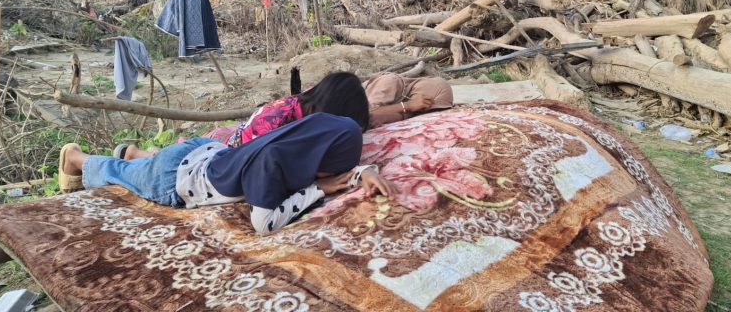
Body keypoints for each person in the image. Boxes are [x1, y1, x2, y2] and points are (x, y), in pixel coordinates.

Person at [59, 113, 395, 234]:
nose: (337, 173)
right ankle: (77, 157)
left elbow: (333, 168)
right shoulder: (272, 163)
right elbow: (264, 223)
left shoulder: (295, 142)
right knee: (120, 174)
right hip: (175, 180)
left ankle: (139, 155)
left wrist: (362, 172)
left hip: (201, 151)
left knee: (138, 166)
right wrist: (319, 189)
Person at [116, 71, 371, 159]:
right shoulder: (278, 119)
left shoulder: (303, 109)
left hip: (231, 137)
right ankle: (135, 155)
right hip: (223, 149)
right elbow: (255, 161)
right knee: (170, 163)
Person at [362, 73, 453, 127]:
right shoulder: (391, 82)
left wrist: (406, 110)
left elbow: (377, 118)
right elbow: (365, 113)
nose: (424, 107)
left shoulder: (410, 108)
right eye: (427, 101)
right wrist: (408, 105)